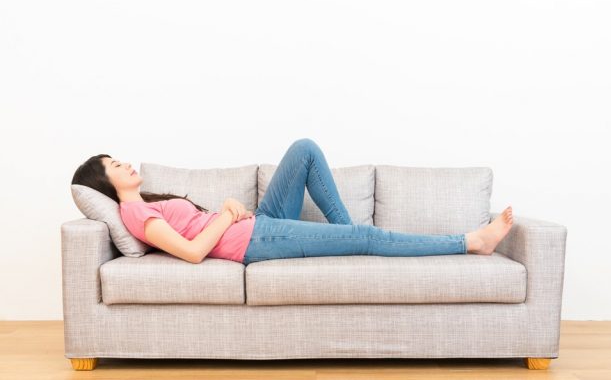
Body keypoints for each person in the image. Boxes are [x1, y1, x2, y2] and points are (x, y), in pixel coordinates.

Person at [71, 138, 513, 265]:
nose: (125, 164)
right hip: (255, 240)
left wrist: (226, 207)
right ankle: (470, 242)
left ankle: (348, 236)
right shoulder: (132, 212)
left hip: (256, 223)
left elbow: (197, 225)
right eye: (114, 165)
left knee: (304, 149)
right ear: (104, 181)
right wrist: (226, 216)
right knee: (367, 236)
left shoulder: (146, 200)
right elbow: (191, 252)